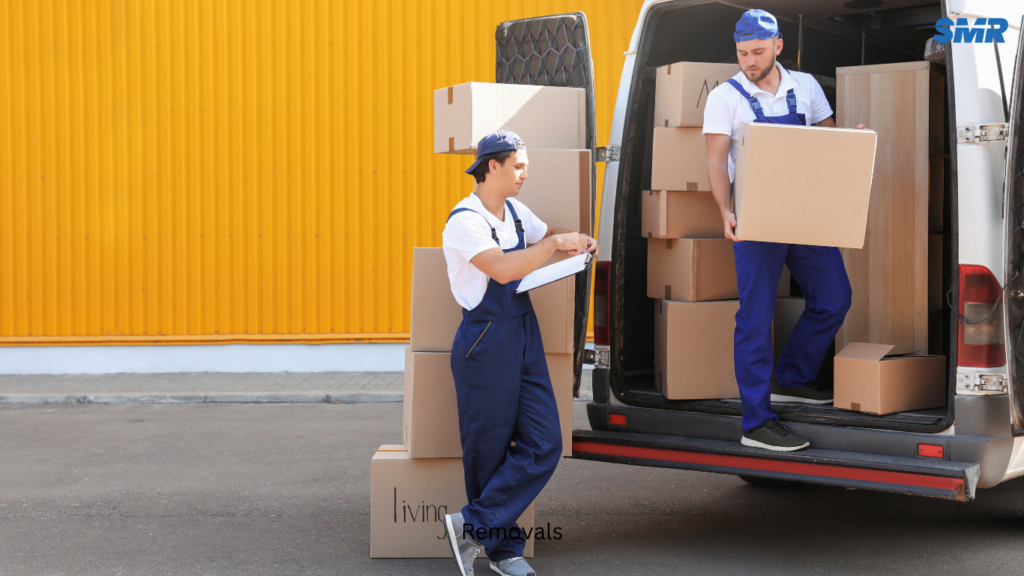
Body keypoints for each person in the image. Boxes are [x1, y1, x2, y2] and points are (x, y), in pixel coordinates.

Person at [702, 9, 869, 452]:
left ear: (778, 46)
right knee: (755, 317)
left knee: (835, 297)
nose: (749, 61)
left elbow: (828, 143)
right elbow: (717, 161)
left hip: (803, 211)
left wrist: (853, 142)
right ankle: (756, 421)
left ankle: (792, 377)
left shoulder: (806, 87)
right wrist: (725, 211)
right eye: (742, 53)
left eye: (758, 52)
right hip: (754, 216)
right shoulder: (725, 97)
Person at [440, 130, 597, 576]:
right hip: (484, 341)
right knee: (487, 450)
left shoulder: (514, 211)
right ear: (493, 166)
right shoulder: (464, 221)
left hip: (523, 334)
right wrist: (548, 247)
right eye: (519, 166)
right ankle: (504, 553)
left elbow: (551, 235)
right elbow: (505, 269)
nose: (525, 174)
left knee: (545, 441)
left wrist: (576, 241)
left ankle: (471, 526)